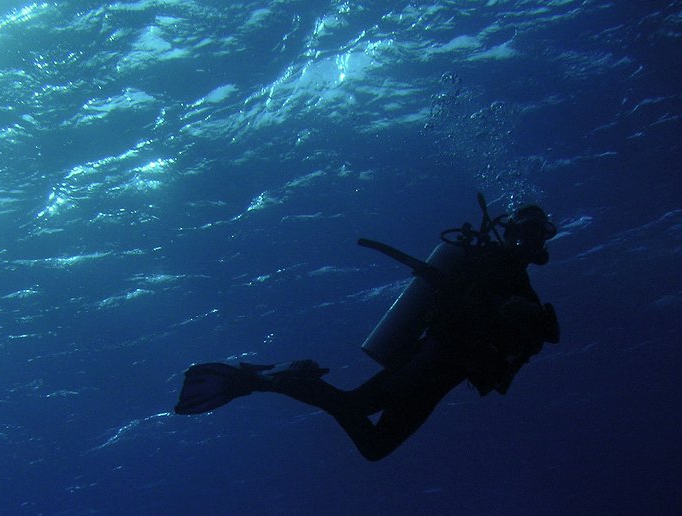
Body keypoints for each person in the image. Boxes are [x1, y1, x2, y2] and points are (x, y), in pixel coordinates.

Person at [175, 195, 560, 461]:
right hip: (431, 359)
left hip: (446, 373)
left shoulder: (523, 288)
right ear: (511, 232)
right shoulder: (487, 261)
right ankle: (265, 377)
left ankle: (269, 376)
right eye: (527, 232)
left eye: (538, 235)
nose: (531, 241)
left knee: (374, 446)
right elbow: (463, 305)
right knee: (356, 409)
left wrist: (533, 327)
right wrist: (505, 312)